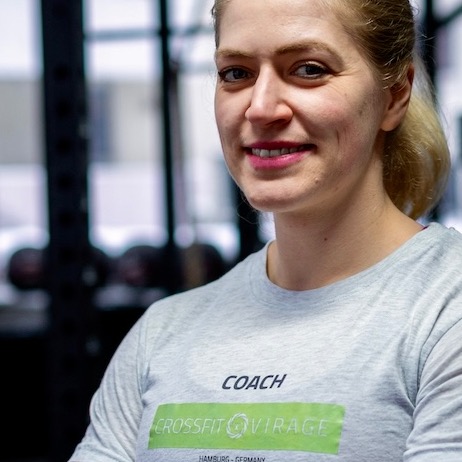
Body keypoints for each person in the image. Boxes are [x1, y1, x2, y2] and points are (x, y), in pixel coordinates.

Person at [69, 0, 462, 460]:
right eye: (236, 74)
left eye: (309, 69)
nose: (260, 108)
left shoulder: (444, 310)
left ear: (394, 95)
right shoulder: (161, 334)